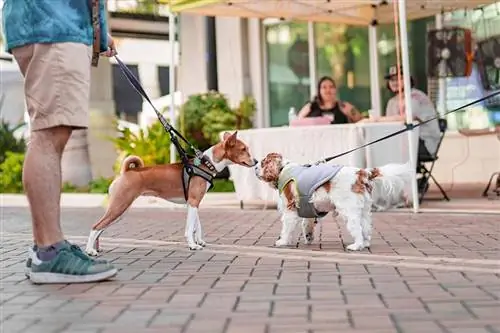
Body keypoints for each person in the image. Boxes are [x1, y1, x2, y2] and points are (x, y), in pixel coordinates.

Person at [2, 0, 118, 284]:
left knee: (49, 134)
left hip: (53, 23)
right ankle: (49, 251)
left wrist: (98, 34)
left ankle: (46, 247)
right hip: (54, 23)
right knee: (49, 135)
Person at [361, 65, 441, 159]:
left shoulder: (416, 96)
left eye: (399, 79)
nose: (394, 82)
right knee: (373, 148)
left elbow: (408, 118)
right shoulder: (392, 102)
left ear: (408, 80)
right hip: (404, 142)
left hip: (424, 143)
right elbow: (389, 127)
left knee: (383, 152)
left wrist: (375, 120)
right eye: (391, 80)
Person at [297, 76, 364, 124]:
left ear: (335, 90)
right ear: (319, 90)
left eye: (331, 87)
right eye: (324, 87)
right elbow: (296, 123)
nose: (328, 90)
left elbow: (361, 121)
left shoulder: (344, 106)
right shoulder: (310, 107)